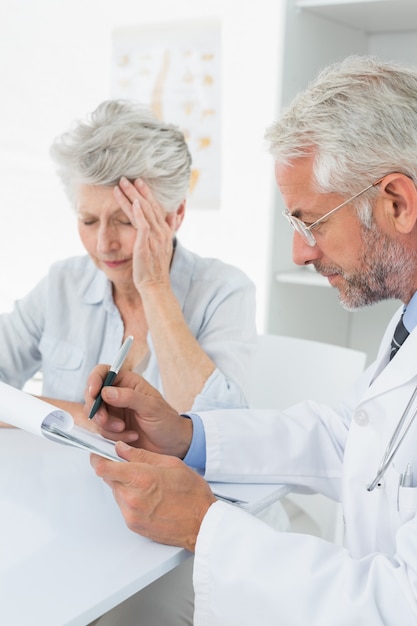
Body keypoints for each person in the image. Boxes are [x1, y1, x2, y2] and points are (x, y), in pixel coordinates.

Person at [88, 55, 417, 625]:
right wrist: (187, 435)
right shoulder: (406, 322)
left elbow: (399, 605)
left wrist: (204, 524)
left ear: (397, 203)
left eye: (310, 221)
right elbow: (348, 438)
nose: (300, 253)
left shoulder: (221, 288)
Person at [0, 100, 256, 428]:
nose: (105, 243)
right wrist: (81, 418)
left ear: (175, 214)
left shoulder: (224, 291)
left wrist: (155, 288)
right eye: (89, 221)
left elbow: (223, 430)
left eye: (126, 221)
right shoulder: (62, 283)